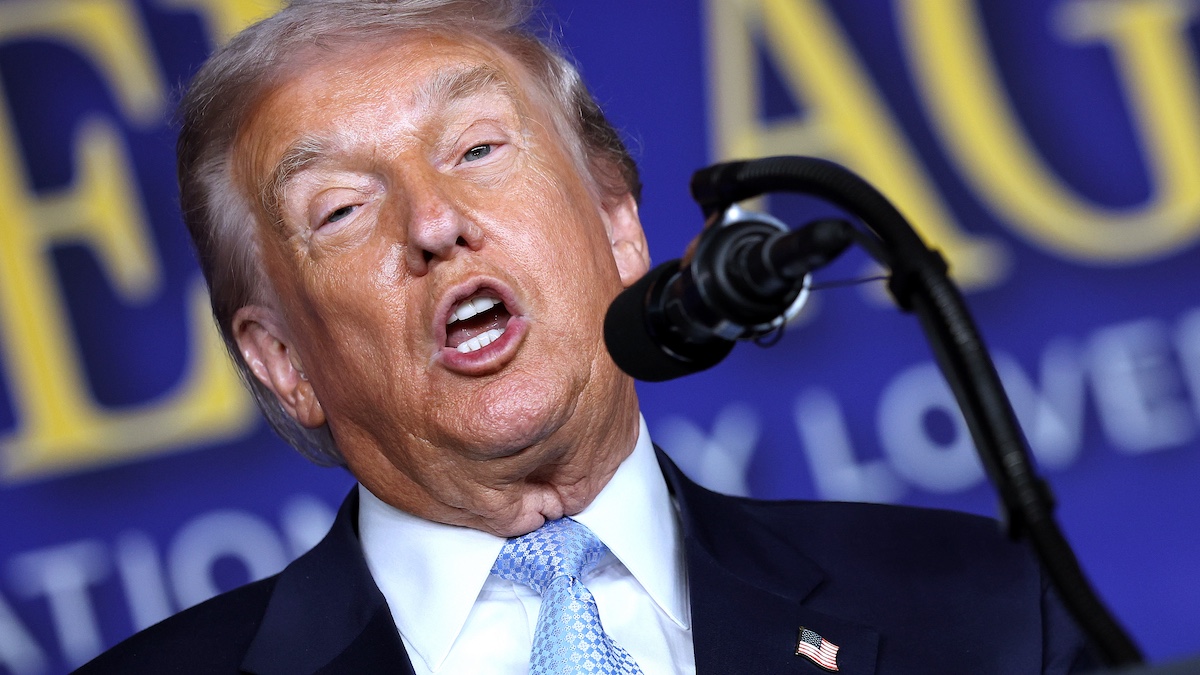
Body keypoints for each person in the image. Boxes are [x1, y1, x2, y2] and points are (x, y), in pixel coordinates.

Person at [80, 0, 1100, 673]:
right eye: (341, 209)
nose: (433, 222)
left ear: (619, 227)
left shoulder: (983, 610)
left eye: (478, 147)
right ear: (283, 363)